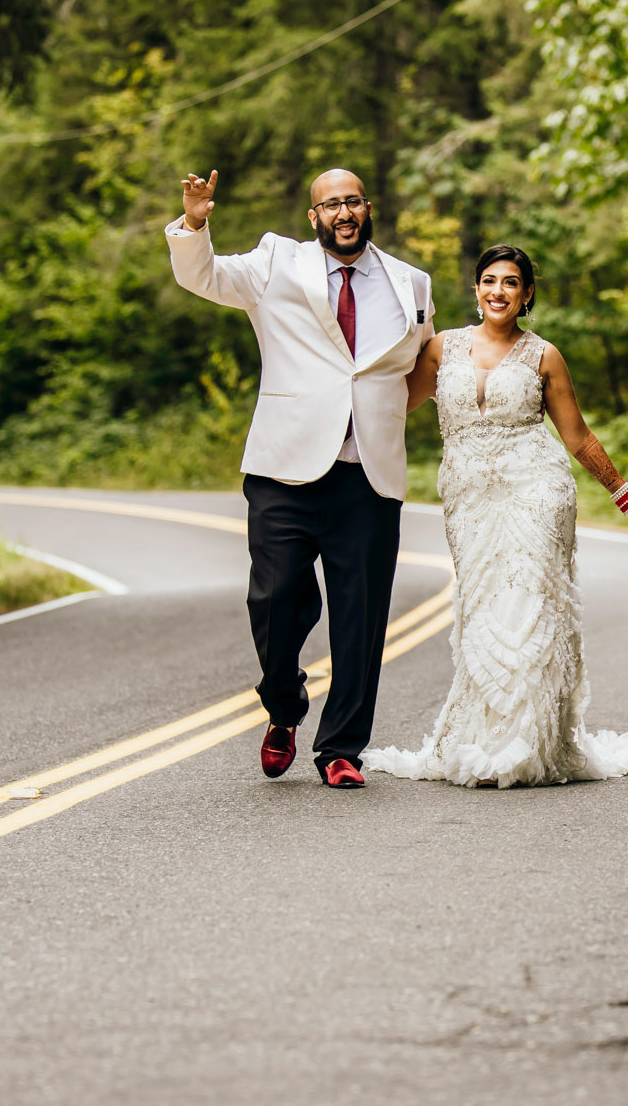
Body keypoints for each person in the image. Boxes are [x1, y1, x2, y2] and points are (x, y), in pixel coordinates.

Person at [362, 244, 628, 788]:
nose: (498, 291)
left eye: (510, 283)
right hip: (468, 498)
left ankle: (529, 745)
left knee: (530, 604)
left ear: (527, 293)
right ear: (475, 289)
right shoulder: (444, 348)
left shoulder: (544, 356)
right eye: (488, 281)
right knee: (483, 605)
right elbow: (390, 405)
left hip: (537, 489)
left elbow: (577, 437)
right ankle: (482, 736)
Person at [165, 167, 433, 789]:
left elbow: (413, 366)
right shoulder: (274, 262)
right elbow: (202, 276)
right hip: (283, 468)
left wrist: (382, 416)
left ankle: (341, 749)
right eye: (330, 204)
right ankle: (284, 706)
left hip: (367, 474)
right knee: (276, 600)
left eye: (353, 202)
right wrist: (196, 222)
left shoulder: (411, 282)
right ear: (313, 217)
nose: (344, 212)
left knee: (361, 619)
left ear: (369, 208)